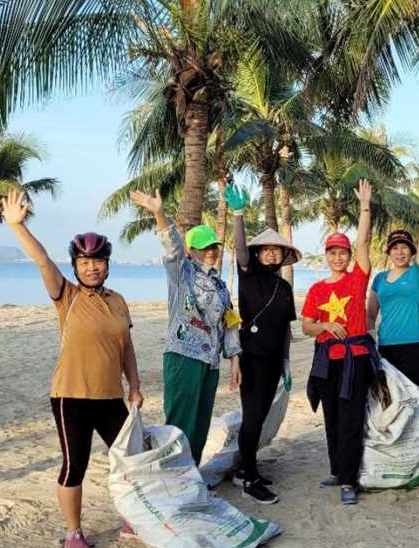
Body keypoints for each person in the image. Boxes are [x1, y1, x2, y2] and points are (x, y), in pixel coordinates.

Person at [2, 189, 143, 548]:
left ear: (107, 264)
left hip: (111, 396)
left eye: (97, 261)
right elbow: (43, 262)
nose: (91, 267)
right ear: (76, 266)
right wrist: (17, 226)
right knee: (74, 465)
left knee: (131, 460)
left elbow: (126, 347)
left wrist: (135, 387)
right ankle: (73, 532)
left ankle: (132, 517)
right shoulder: (67, 295)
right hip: (71, 397)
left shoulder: (118, 301)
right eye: (84, 262)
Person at [130, 189, 242, 466]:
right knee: (180, 422)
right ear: (192, 251)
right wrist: (159, 213)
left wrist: (235, 360)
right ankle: (173, 475)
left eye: (214, 246)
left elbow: (228, 323)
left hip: (210, 363)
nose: (211, 252)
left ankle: (191, 474)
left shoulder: (219, 285)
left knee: (201, 423)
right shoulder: (182, 271)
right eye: (204, 247)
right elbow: (172, 247)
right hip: (183, 356)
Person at [224, 183, 300, 505]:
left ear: (284, 256)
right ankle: (250, 478)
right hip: (252, 358)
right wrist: (238, 214)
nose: (271, 253)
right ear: (258, 254)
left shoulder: (284, 287)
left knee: (260, 415)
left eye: (276, 250)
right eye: (265, 249)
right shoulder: (248, 274)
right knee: (252, 416)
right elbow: (240, 249)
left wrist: (285, 363)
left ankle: (245, 468)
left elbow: (284, 328)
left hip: (272, 361)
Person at [302, 180, 376, 506]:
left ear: (348, 256)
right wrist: (325, 324)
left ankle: (349, 480)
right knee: (331, 416)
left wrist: (364, 208)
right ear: (326, 256)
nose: (337, 256)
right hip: (326, 361)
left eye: (342, 252)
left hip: (355, 359)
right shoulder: (317, 289)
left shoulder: (357, 280)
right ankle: (337, 469)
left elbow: (364, 240)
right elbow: (306, 326)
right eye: (332, 252)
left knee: (350, 419)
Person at [366, 182, 419, 388]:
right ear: (389, 252)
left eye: (405, 248)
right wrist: (371, 337)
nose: (400, 252)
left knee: (413, 399)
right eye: (395, 248)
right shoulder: (380, 278)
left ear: (411, 251)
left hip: (413, 345)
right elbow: (371, 314)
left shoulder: (418, 274)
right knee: (389, 401)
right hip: (385, 345)